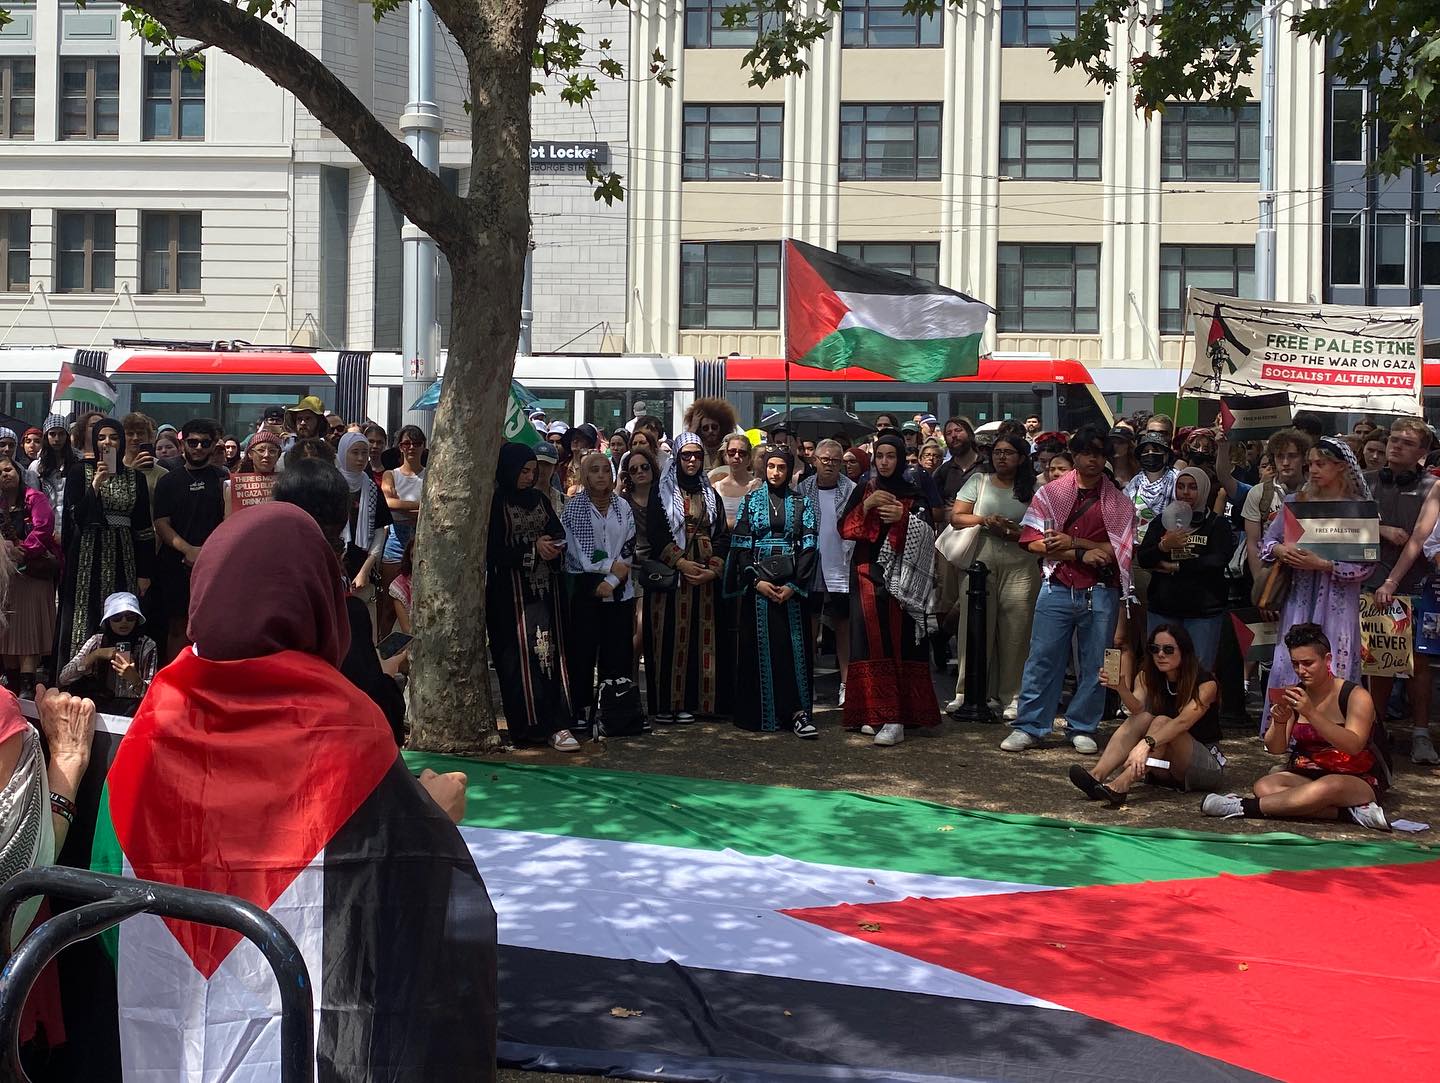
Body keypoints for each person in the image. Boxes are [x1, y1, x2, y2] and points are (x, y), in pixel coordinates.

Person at [95, 501, 494, 1078]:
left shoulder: (153, 721)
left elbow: (108, 909)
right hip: (312, 1047)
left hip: (154, 1043)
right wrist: (432, 818)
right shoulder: (349, 725)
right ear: (316, 600)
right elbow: (393, 918)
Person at [1004, 425, 1136, 754]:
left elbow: (1117, 551)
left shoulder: (1119, 502)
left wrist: (1075, 542)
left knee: (1096, 663)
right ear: (1075, 455)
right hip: (1058, 583)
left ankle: (1083, 725)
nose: (1093, 459)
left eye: (1099, 453)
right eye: (1087, 452)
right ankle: (1031, 725)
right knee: (1042, 658)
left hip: (1101, 588)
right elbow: (1031, 542)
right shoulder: (1050, 494)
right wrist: (1079, 553)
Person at [1203, 623, 1389, 830]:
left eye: (1308, 663)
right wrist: (1280, 722)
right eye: (1296, 664)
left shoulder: (1356, 696)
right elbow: (1276, 749)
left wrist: (1311, 713)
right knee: (1265, 786)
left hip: (1356, 778)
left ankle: (1243, 806)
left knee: (1329, 786)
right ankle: (1346, 813)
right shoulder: (1295, 693)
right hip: (1308, 775)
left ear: (1327, 660)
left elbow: (1354, 745)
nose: (1301, 670)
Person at [1259, 437, 1375, 732]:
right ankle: (1287, 738)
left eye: (1320, 464)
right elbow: (1268, 542)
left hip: (1337, 605)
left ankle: (1331, 737)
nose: (1312, 470)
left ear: (1340, 467)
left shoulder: (1358, 509)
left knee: (1331, 664)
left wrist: (1324, 564)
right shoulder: (1296, 502)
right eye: (1310, 463)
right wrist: (1280, 550)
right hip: (1298, 600)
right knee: (1292, 663)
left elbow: (1367, 564)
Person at [839, 433, 940, 746]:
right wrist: (867, 504)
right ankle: (874, 712)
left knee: (900, 642)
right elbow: (846, 530)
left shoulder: (913, 492)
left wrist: (904, 519)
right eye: (879, 456)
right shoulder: (863, 490)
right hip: (868, 574)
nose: (884, 462)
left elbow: (928, 534)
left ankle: (897, 717)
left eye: (890, 456)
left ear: (900, 459)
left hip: (904, 579)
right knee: (871, 643)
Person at [1075, 623, 1224, 807]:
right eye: (1155, 649)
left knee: (1161, 721)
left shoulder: (1206, 683)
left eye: (1168, 649)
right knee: (1144, 718)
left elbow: (1182, 723)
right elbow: (1136, 709)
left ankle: (1121, 784)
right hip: (1163, 763)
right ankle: (1096, 776)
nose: (1160, 654)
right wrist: (1121, 689)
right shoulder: (1147, 676)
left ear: (1184, 651)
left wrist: (1146, 744)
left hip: (1203, 766)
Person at [724, 447, 818, 738]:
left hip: (791, 587)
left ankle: (797, 713)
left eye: (781, 467)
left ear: (790, 470)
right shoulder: (750, 501)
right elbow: (740, 546)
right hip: (759, 586)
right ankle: (760, 715)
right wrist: (755, 582)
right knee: (760, 649)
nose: (776, 472)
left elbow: (809, 546)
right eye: (771, 466)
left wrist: (794, 586)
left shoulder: (802, 503)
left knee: (792, 649)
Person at [488, 443, 575, 751]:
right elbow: (493, 551)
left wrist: (551, 547)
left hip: (544, 594)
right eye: (523, 471)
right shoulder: (496, 503)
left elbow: (558, 532)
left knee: (548, 657)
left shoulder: (539, 499)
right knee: (515, 663)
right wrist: (530, 550)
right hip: (508, 597)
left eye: (533, 471)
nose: (528, 477)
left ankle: (557, 724)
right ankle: (525, 730)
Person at [948, 433, 1039, 719]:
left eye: (1009, 452)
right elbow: (957, 516)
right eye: (998, 452)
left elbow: (1042, 526)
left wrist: (1013, 531)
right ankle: (967, 692)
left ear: (1022, 458)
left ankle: (1011, 695)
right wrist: (985, 520)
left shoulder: (1036, 487)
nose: (1001, 457)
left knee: (1017, 630)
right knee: (973, 627)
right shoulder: (979, 481)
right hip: (982, 558)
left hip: (1021, 560)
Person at [1370, 417, 1439, 764]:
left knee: (1419, 662)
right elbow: (1347, 525)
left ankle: (1421, 734)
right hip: (1371, 582)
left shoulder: (1432, 487)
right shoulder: (1366, 483)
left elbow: (1419, 540)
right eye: (1393, 439)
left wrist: (1392, 582)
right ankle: (1376, 729)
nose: (1396, 445)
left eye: (1407, 442)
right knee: (1378, 658)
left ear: (1423, 452)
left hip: (1416, 584)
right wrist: (1381, 529)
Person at [57, 418, 153, 666]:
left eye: (113, 437)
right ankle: (79, 674)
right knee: (84, 614)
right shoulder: (80, 472)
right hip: (87, 557)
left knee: (121, 613)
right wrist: (96, 486)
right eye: (101, 437)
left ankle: (119, 678)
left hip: (124, 556)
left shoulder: (135, 478)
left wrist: (145, 572)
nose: (107, 442)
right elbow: (75, 517)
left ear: (121, 442)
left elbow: (144, 528)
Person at [647, 432, 727, 723]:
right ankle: (667, 703)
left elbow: (721, 534)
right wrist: (681, 563)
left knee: (701, 639)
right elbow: (656, 534)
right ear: (677, 457)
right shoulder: (661, 492)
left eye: (697, 455)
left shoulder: (710, 493)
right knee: (670, 637)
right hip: (673, 576)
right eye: (686, 455)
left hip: (704, 575)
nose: (692, 460)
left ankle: (696, 703)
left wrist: (711, 569)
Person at [562, 451, 637, 736]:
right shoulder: (574, 508)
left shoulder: (623, 507)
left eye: (606, 470)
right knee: (582, 651)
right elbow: (582, 551)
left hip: (620, 589)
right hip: (586, 588)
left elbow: (629, 543)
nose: (602, 475)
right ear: (584, 475)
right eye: (594, 470)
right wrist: (609, 570)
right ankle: (580, 709)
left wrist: (615, 580)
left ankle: (616, 709)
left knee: (617, 650)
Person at [1136, 467, 1235, 670]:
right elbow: (1144, 558)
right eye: (1180, 487)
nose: (1185, 492)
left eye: (1192, 487)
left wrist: (1176, 567)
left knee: (1198, 672)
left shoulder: (1217, 525)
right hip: (1164, 609)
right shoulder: (1162, 522)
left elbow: (1217, 560)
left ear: (1205, 490)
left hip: (1203, 612)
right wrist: (1164, 546)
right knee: (1160, 670)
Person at [151, 418, 227, 662]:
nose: (198, 448)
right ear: (183, 444)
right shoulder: (168, 481)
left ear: (213, 445)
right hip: (174, 562)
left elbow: (230, 519)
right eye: (193, 442)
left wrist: (208, 552)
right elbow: (161, 523)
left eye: (205, 443)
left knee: (212, 625)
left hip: (215, 563)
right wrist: (189, 550)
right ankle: (173, 682)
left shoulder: (223, 478)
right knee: (176, 625)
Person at [799, 439, 855, 707]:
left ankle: (846, 684)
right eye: (825, 460)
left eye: (835, 460)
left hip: (842, 565)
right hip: (811, 566)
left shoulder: (852, 490)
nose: (830, 465)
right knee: (810, 625)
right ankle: (806, 682)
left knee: (844, 626)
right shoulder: (802, 489)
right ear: (815, 461)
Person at [0, 456, 59, 695]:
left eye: (8, 469)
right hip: (5, 578)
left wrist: (23, 551)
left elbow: (43, 527)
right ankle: (12, 682)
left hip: (33, 573)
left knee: (29, 629)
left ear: (18, 472)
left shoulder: (35, 498)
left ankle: (27, 683)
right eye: (0, 472)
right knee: (8, 631)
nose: (4, 474)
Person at [57, 591, 157, 713]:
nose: (124, 622)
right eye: (117, 618)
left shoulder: (147, 645)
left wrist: (135, 679)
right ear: (108, 620)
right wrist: (95, 655)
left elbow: (153, 695)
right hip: (98, 708)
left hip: (134, 711)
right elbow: (63, 678)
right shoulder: (97, 641)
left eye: (130, 617)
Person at [1242, 428, 1310, 600]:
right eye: (1280, 456)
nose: (1286, 462)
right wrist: (1263, 588)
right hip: (1271, 572)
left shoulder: (1316, 492)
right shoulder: (1259, 493)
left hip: (1308, 576)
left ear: (1304, 459)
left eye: (1292, 456)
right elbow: (1253, 543)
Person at [380, 424, 426, 637]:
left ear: (423, 447)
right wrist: (420, 506)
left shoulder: (429, 475)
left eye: (416, 444)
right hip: (397, 540)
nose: (411, 448)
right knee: (388, 604)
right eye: (406, 443)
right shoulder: (391, 474)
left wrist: (403, 506)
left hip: (421, 540)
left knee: (420, 601)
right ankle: (381, 651)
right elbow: (388, 502)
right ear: (400, 447)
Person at [620, 446, 659, 675]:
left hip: (657, 567)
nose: (640, 472)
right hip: (629, 568)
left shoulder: (664, 499)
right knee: (634, 630)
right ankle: (630, 682)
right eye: (634, 470)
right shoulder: (623, 502)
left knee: (646, 630)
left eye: (644, 467)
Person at [336, 432, 392, 592]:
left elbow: (379, 533)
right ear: (342, 452)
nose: (361, 458)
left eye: (364, 452)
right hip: (333, 563)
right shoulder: (331, 486)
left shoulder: (372, 488)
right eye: (355, 452)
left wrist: (365, 571)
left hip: (362, 563)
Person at [37, 414, 77, 545]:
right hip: (46, 527)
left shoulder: (78, 462)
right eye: (52, 434)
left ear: (67, 436)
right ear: (46, 436)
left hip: (72, 526)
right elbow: (34, 502)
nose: (57, 439)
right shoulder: (36, 466)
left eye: (61, 434)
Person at [711, 432, 759, 527]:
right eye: (732, 452)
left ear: (749, 458)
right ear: (726, 456)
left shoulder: (758, 487)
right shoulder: (716, 487)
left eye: (742, 453)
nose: (736, 456)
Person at [682, 397, 739, 471]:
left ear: (722, 427)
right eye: (705, 428)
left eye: (714, 427)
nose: (710, 431)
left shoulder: (729, 448)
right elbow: (683, 451)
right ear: (700, 430)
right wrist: (693, 427)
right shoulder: (697, 450)